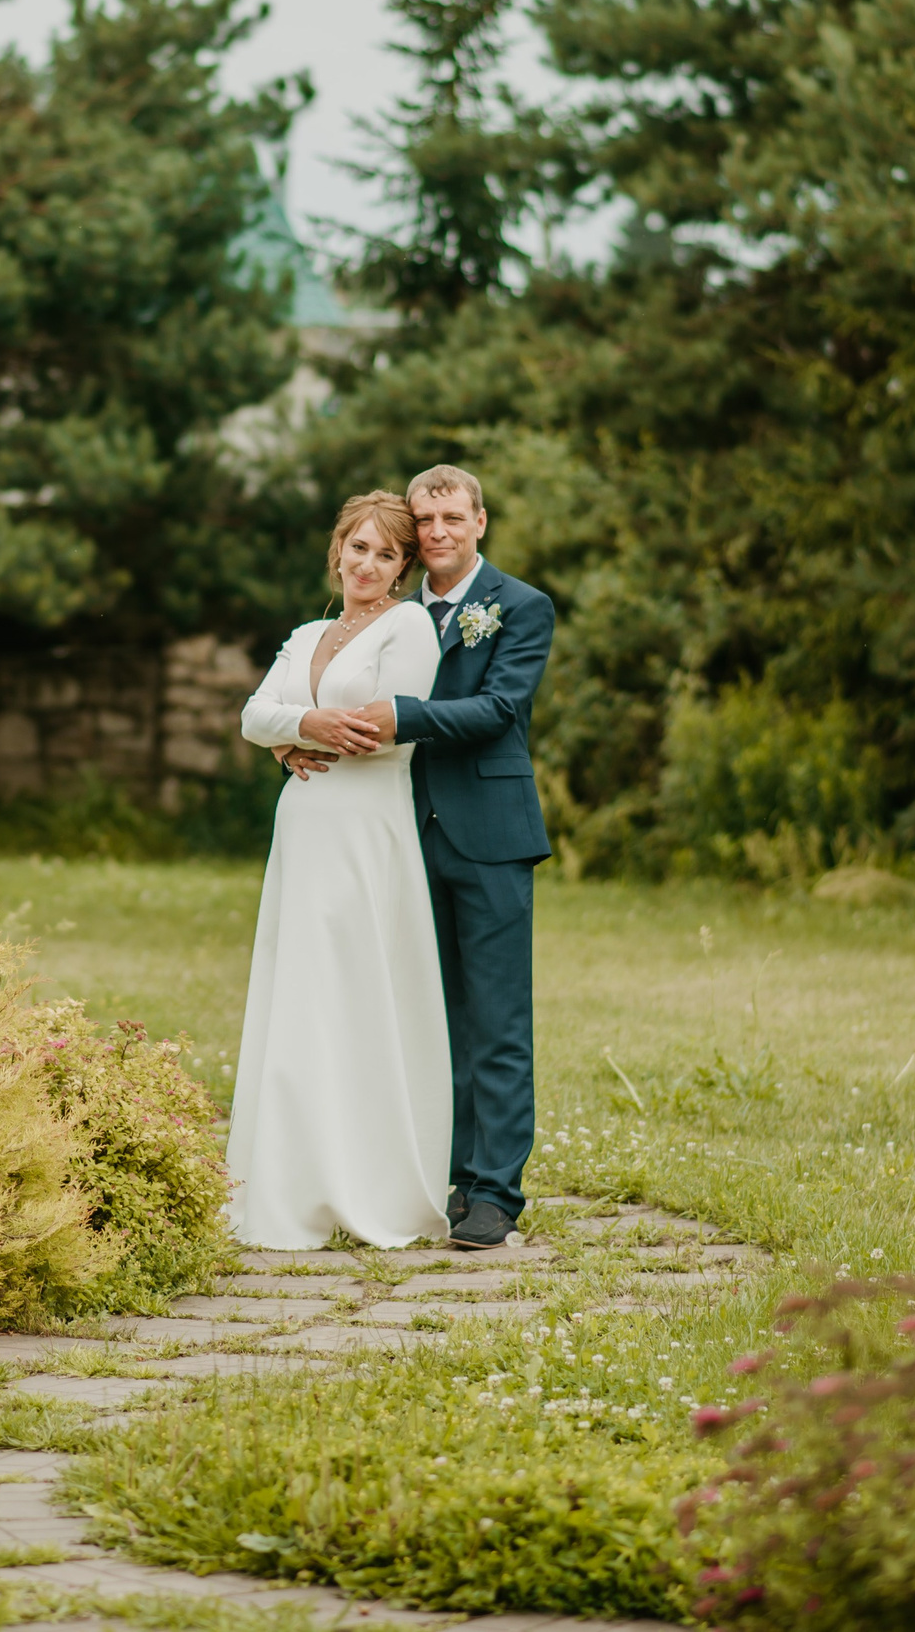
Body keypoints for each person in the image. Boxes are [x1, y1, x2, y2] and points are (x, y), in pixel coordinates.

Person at [278, 465, 555, 1250]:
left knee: (495, 1017)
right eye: (425, 519)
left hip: (490, 832)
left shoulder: (520, 606)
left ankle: (494, 1190)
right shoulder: (383, 613)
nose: (437, 531)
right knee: (427, 1015)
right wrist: (295, 742)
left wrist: (400, 715)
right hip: (398, 833)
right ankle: (443, 1174)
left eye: (451, 517)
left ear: (480, 521)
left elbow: (501, 708)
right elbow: (319, 685)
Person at [228, 491, 451, 1249]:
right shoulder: (308, 632)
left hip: (365, 830)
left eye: (385, 554)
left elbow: (390, 726)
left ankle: (365, 1181)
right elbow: (254, 715)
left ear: (401, 568)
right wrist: (298, 728)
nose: (367, 563)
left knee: (354, 991)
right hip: (304, 827)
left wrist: (302, 729)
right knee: (299, 991)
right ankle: (292, 1179)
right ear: (338, 551)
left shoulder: (409, 625)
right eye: (358, 547)